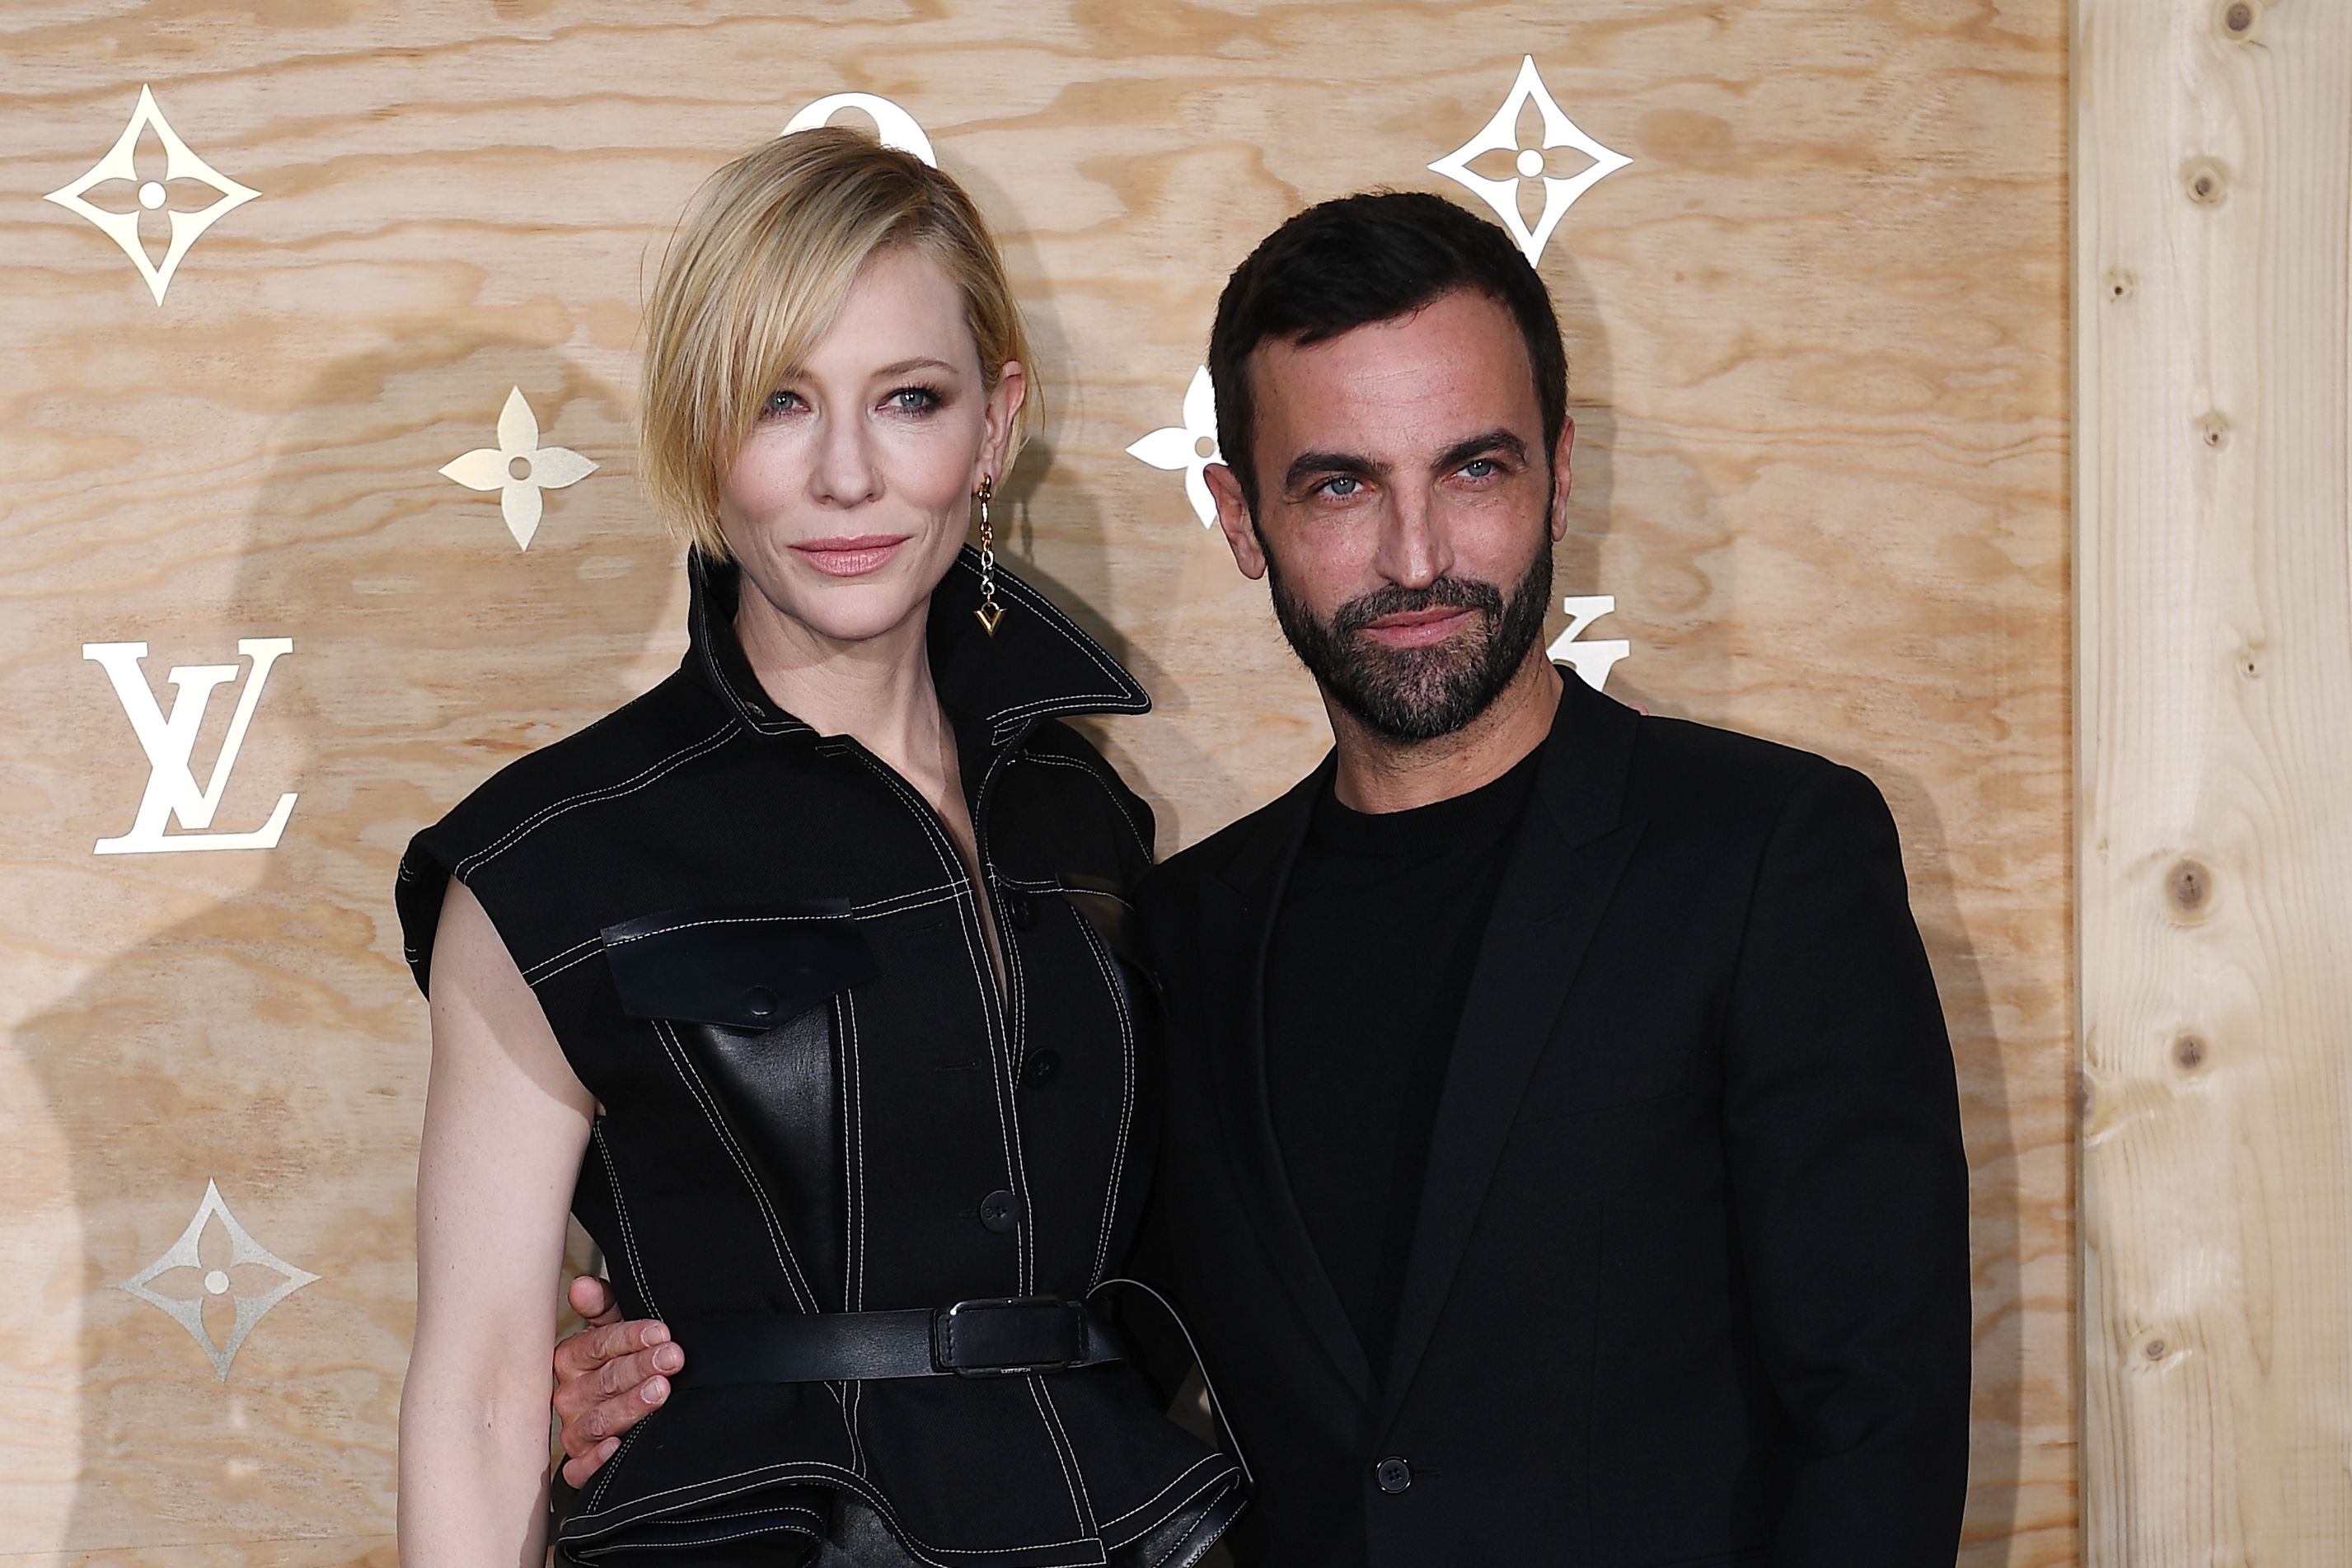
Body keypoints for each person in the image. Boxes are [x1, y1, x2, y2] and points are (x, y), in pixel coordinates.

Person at [552, 190, 1974, 1565]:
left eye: (1472, 469)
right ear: (1241, 518)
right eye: (1340, 484)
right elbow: (1054, 1328)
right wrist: (690, 1364)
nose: (1415, 557)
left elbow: (1875, 1417)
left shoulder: (1763, 853)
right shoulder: (1180, 929)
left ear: (1557, 473)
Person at [393, 128, 1244, 1566]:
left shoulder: (1083, 814)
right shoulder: (549, 864)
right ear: (699, 433)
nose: (847, 475)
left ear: (993, 428)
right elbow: (476, 1399)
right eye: (778, 402)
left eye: (909, 399)